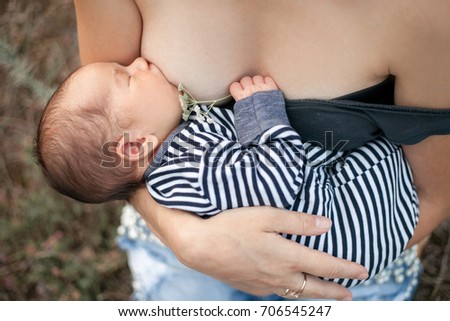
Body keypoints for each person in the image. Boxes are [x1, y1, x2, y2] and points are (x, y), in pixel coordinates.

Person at [73, 0, 450, 300]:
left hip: (342, 271)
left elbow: (432, 196)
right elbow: (106, 155)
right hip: (184, 261)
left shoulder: (424, 12)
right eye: (127, 76)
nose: (137, 65)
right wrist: (188, 241)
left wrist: (293, 276)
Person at [34, 57, 419, 291]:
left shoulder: (178, 158)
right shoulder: (186, 169)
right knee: (382, 151)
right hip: (348, 223)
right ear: (134, 146)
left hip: (348, 241)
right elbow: (276, 179)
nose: (138, 63)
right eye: (128, 77)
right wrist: (261, 114)